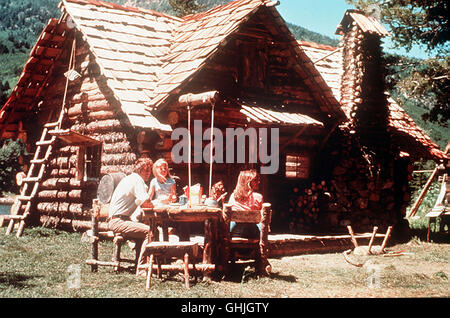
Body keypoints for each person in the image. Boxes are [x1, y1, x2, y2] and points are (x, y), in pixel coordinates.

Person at [108, 157, 153, 274]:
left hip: (121, 219)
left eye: (149, 170)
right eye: (145, 170)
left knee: (144, 228)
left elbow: (141, 202)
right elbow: (145, 201)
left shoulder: (132, 179)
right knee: (149, 232)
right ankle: (143, 269)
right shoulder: (137, 180)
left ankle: (142, 263)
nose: (148, 173)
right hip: (118, 221)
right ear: (139, 170)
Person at [227, 169, 263, 239]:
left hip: (235, 233)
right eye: (255, 180)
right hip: (253, 234)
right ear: (247, 182)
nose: (258, 182)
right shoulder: (258, 197)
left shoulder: (233, 196)